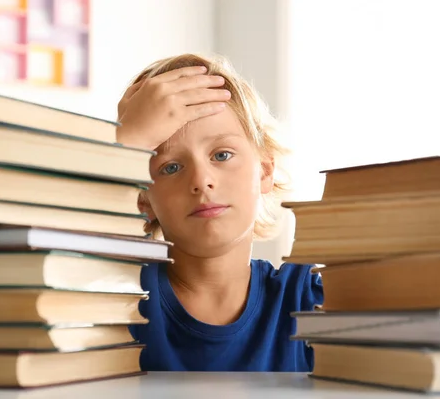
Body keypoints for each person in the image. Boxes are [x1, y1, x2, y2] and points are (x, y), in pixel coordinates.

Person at [116, 53, 323, 372]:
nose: (201, 181)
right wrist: (126, 144)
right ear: (142, 197)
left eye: (222, 155)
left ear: (265, 172)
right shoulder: (114, 298)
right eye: (171, 167)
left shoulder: (308, 301)